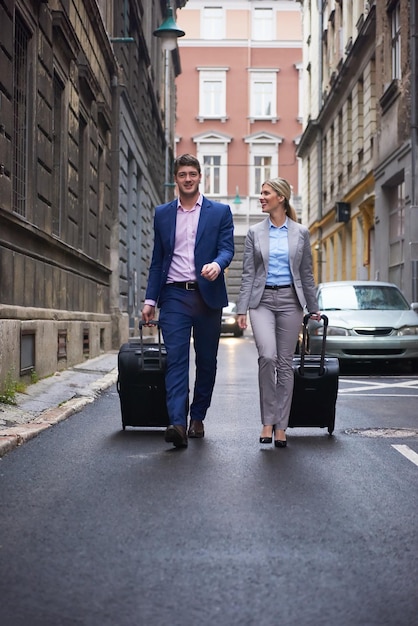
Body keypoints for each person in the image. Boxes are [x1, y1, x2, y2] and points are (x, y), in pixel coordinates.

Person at [141, 154, 234, 448]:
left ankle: (198, 416)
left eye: (192, 173)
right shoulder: (163, 214)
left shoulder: (219, 212)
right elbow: (158, 261)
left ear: (200, 177)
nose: (188, 179)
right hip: (174, 296)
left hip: (207, 296)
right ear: (176, 179)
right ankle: (177, 424)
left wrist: (217, 265)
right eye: (182, 174)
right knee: (177, 361)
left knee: (206, 362)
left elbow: (227, 249)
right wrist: (149, 300)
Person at [236, 177, 320, 448]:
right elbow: (248, 273)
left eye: (266, 193)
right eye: (261, 193)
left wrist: (314, 307)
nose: (261, 197)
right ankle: (267, 420)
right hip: (261, 302)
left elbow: (306, 273)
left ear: (280, 198)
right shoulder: (254, 233)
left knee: (285, 364)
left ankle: (281, 426)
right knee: (267, 357)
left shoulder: (301, 233)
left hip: (290, 301)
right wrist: (241, 309)